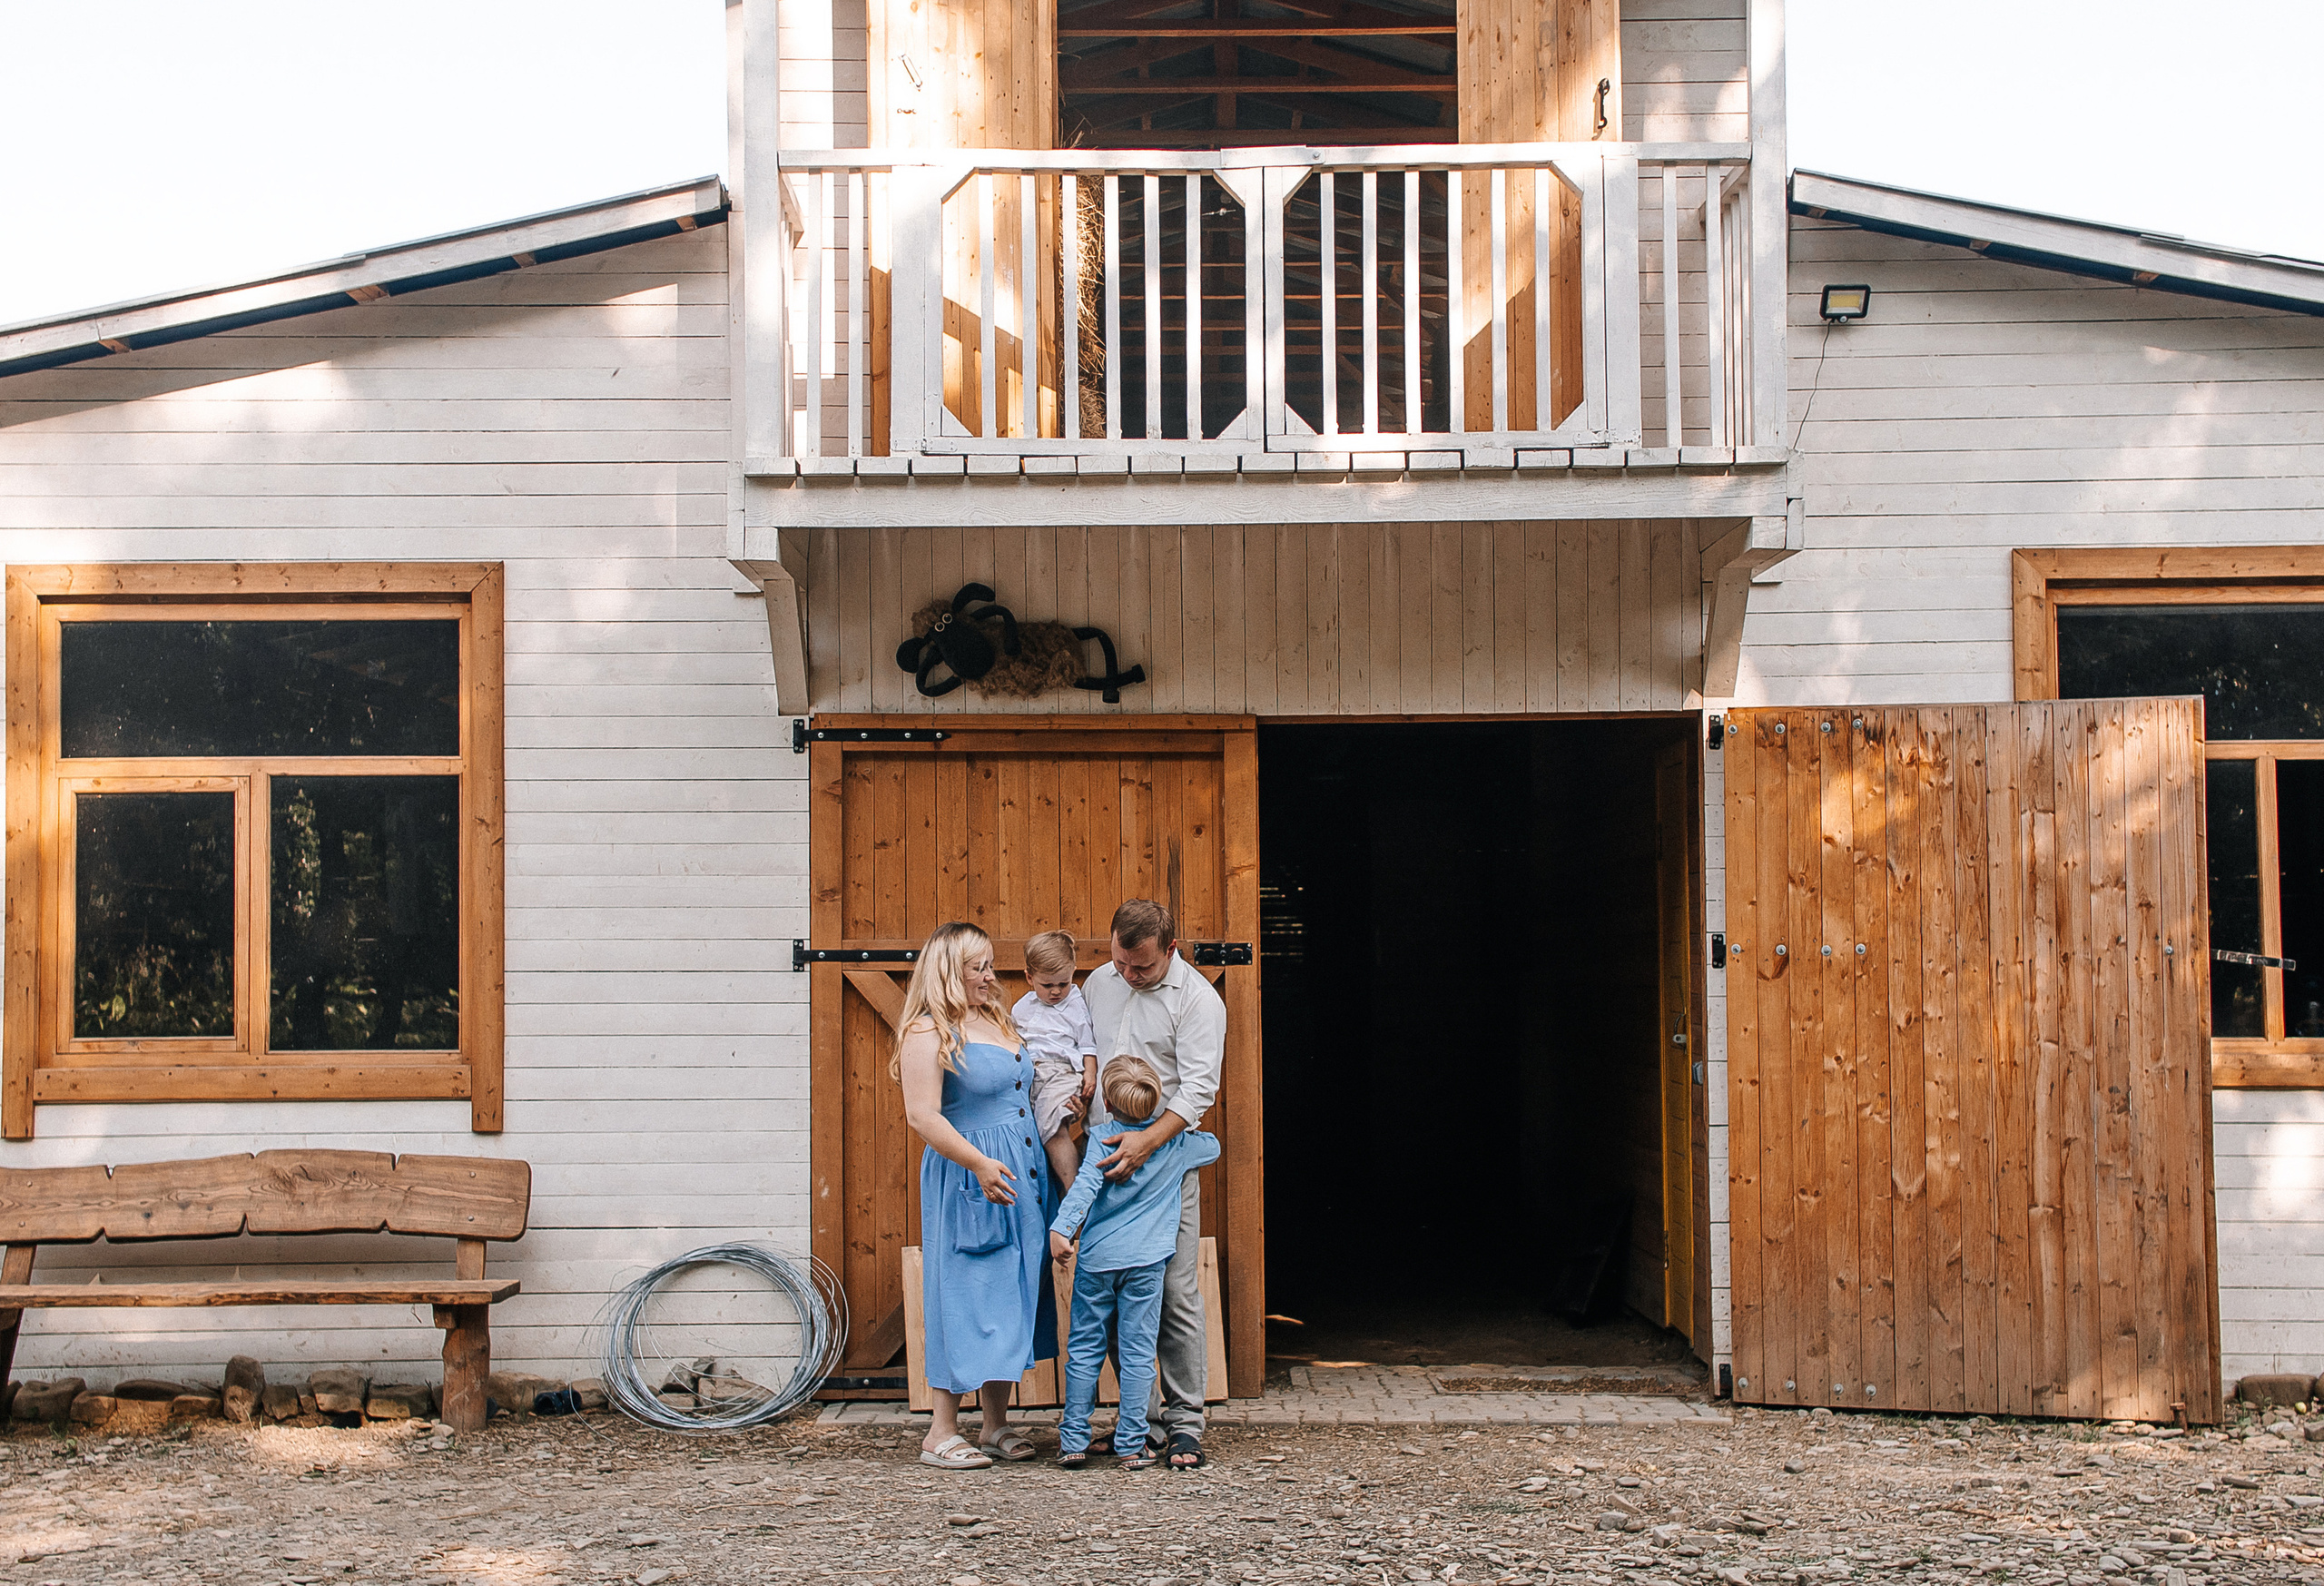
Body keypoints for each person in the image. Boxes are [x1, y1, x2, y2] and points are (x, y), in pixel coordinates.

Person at [892, 921, 1057, 1470]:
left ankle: (994, 1426)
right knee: (965, 1291)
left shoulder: (994, 1018)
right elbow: (922, 1115)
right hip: (971, 1175)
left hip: (1020, 1173)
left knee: (1011, 1292)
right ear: (948, 971)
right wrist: (982, 1163)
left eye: (989, 965)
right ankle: (940, 1431)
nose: (990, 976)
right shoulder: (927, 1031)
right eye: (978, 967)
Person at [1079, 898, 1226, 1469]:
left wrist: (1146, 1142)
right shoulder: (1099, 981)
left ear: (1170, 949)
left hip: (1161, 1164)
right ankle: (1137, 1421)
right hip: (1104, 1165)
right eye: (1120, 962)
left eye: (1140, 967)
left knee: (1174, 1291)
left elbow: (1196, 1093)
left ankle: (1186, 1422)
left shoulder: (1198, 1002)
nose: (1128, 975)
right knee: (1113, 1292)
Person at [1049, 1055, 1221, 1471]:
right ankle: (1131, 1443)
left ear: (1106, 1102)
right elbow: (1212, 1147)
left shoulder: (1102, 1138)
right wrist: (1168, 1132)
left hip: (1097, 1262)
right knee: (1139, 1349)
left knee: (1084, 1348)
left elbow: (1084, 1188)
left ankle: (1073, 1439)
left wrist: (1061, 1230)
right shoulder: (1175, 1146)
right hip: (1146, 1266)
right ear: (1157, 1100)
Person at [1012, 930, 1100, 1190]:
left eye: (1063, 983)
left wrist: (1090, 1074)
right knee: (1030, 1132)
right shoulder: (1022, 1007)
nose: (1056, 991)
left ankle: (1074, 1189)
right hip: (1030, 1074)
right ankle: (1046, 1191)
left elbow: (1087, 1044)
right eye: (1047, 985)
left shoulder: (1075, 1003)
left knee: (1053, 1131)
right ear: (1030, 977)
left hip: (1061, 1073)